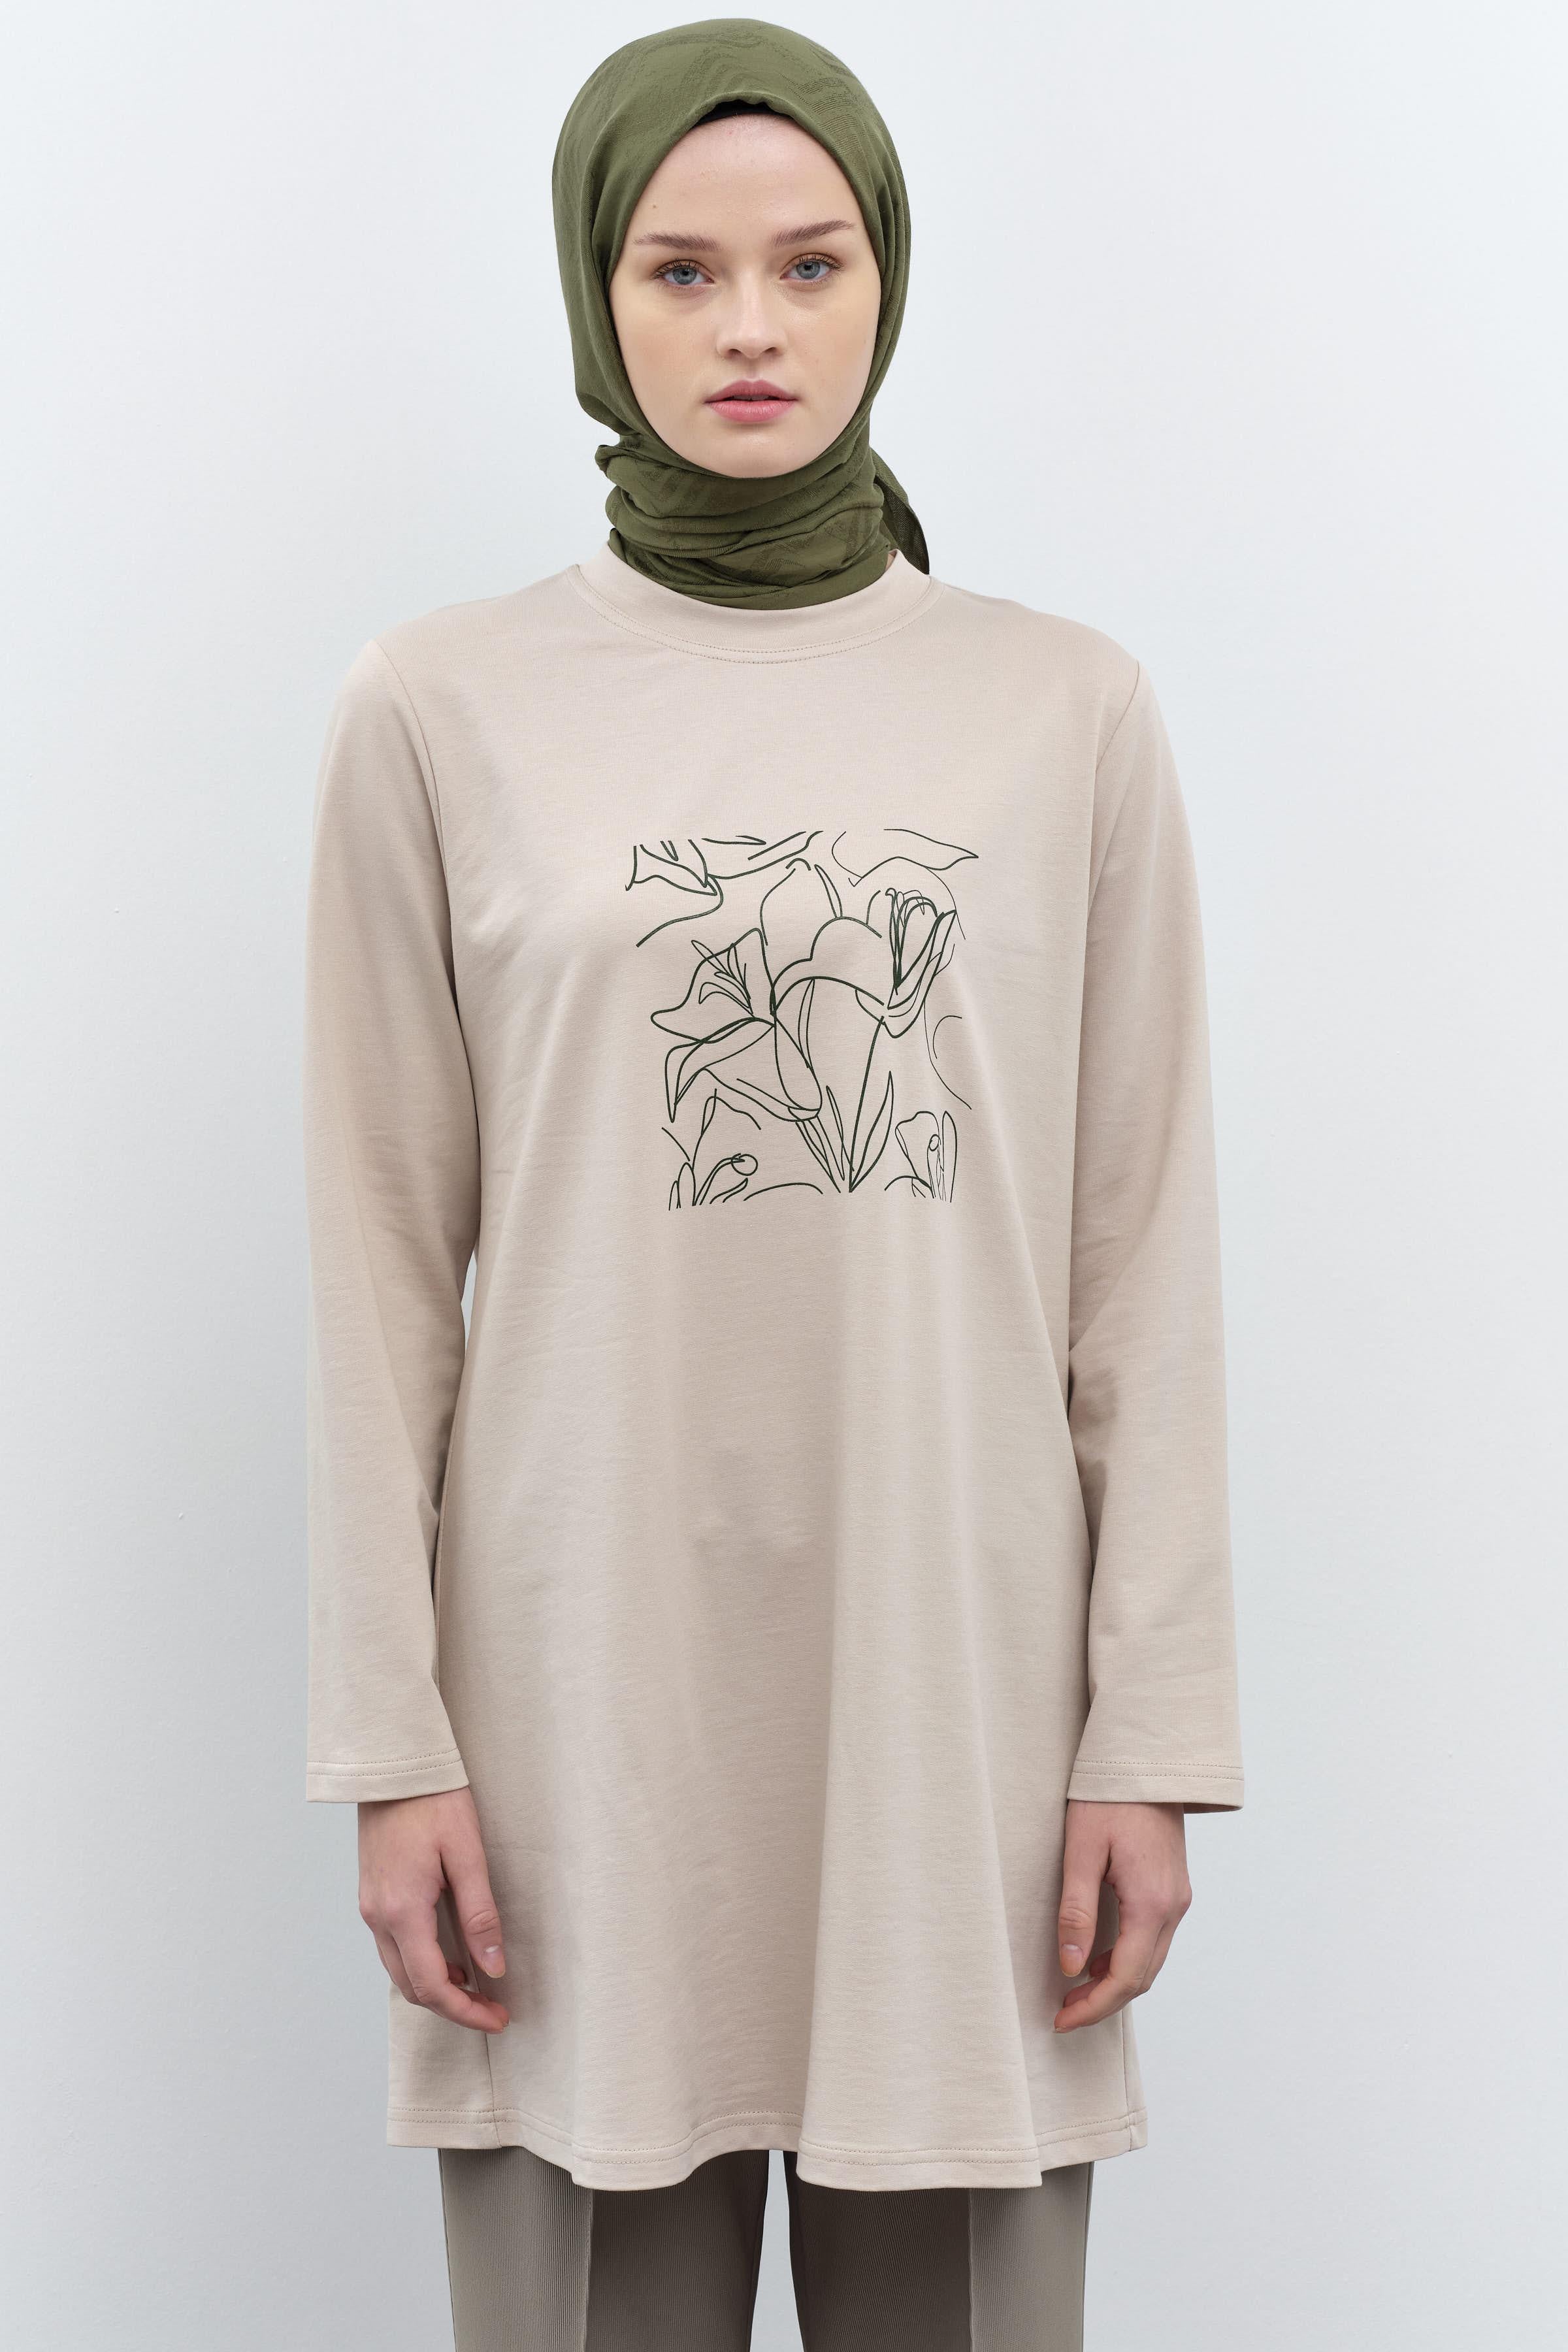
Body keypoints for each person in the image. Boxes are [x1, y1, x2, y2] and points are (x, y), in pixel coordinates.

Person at [301, 19, 1245, 2349]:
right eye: (683, 269)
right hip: (574, 1714)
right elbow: (376, 1268)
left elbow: (1139, 1261)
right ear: (595, 293)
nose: (750, 327)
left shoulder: (1067, 708)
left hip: (964, 1708)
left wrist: (1152, 1742)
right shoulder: (438, 705)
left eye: (811, 265)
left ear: (885, 281)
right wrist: (391, 1748)